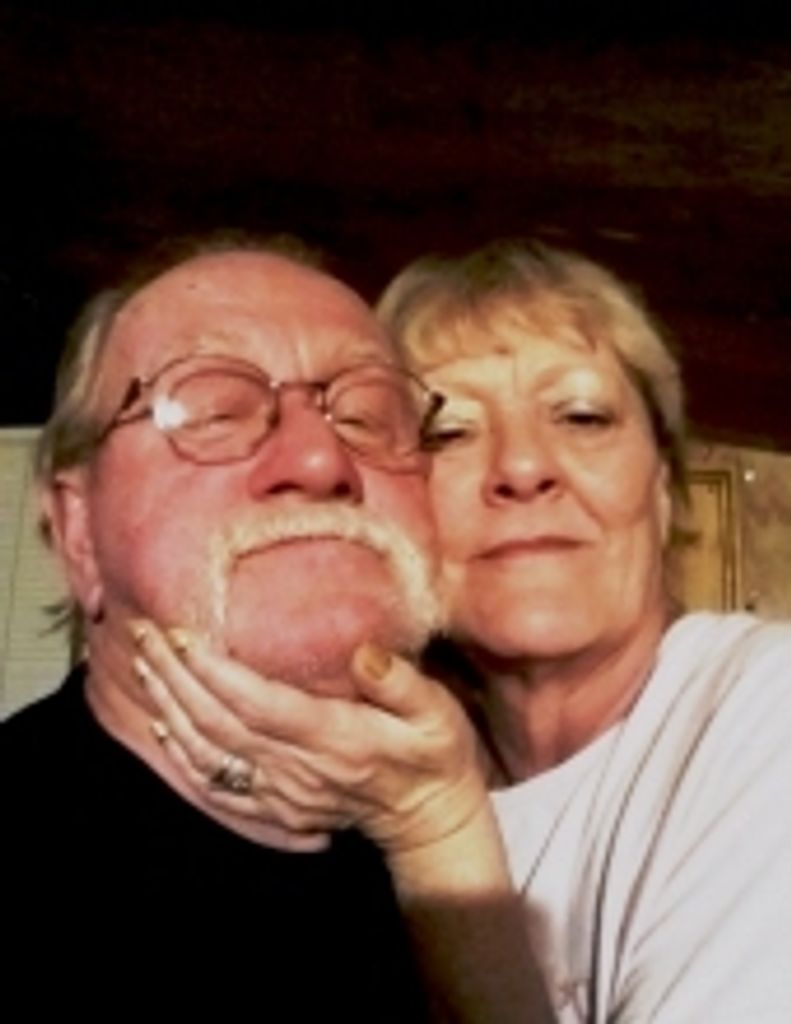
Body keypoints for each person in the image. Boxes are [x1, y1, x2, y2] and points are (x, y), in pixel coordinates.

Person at [134, 241, 791, 1022]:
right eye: (448, 432)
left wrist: (431, 827)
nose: (521, 468)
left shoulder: (764, 710)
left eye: (581, 416)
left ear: (661, 487)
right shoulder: (345, 773)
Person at [2, 235, 468, 1021]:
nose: (320, 460)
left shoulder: (481, 863)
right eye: (213, 411)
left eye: (366, 416)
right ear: (78, 531)